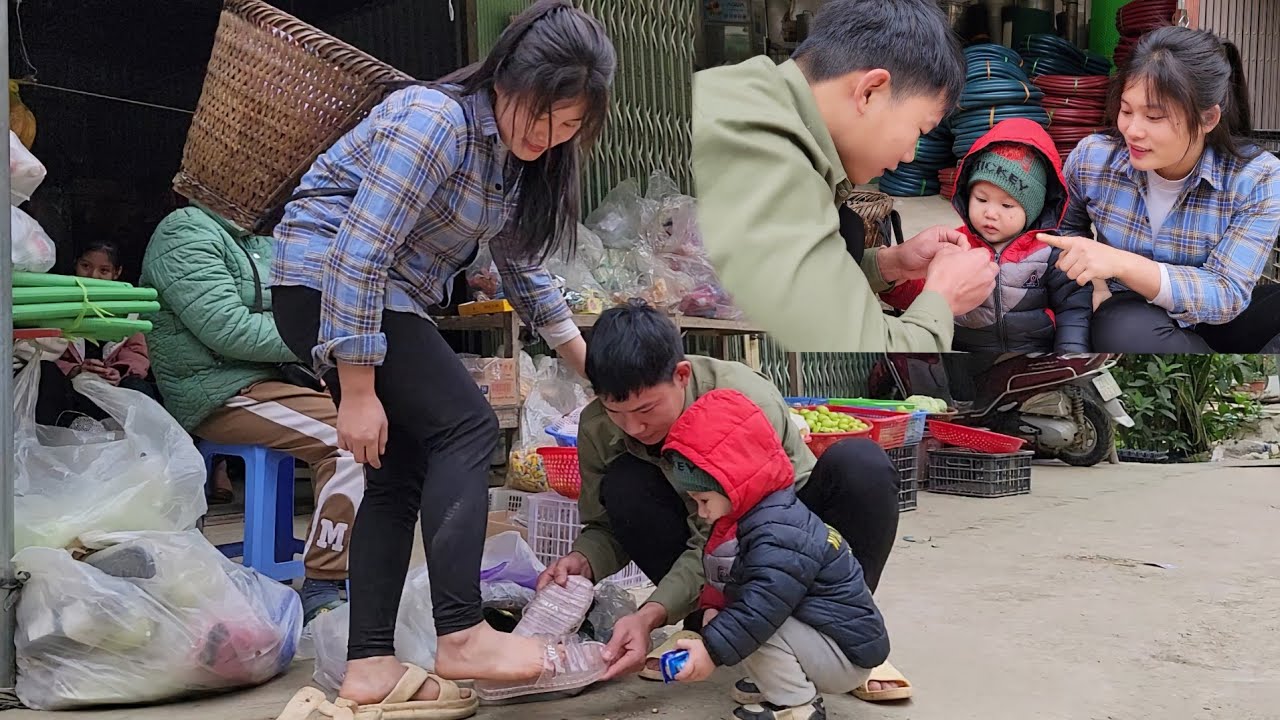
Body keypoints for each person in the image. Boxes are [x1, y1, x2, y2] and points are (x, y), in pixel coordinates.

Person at [267, 1, 616, 714]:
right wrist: (358, 392)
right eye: (541, 113)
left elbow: (524, 273)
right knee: (468, 426)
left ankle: (368, 665)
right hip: (325, 281)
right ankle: (462, 633)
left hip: (378, 295)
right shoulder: (434, 120)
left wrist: (594, 368)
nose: (547, 135)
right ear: (507, 78)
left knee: (400, 474)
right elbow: (358, 254)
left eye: (569, 126)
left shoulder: (519, 165)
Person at [536, 300, 912, 704]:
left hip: (776, 536)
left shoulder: (742, 401)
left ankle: (836, 639)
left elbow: (789, 523)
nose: (633, 426)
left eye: (646, 409)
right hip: (715, 553)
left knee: (860, 466)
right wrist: (584, 560)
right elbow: (606, 526)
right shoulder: (597, 427)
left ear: (681, 376)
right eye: (617, 411)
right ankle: (710, 628)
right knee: (625, 483)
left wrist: (652, 612)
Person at [691, 0, 1000, 352]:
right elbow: (867, 345)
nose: (911, 154)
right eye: (919, 129)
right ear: (869, 92)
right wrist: (942, 299)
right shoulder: (772, 160)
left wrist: (889, 264)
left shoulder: (748, 91)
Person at [139, 204, 361, 630]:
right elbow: (229, 327)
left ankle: (359, 565)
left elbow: (303, 307)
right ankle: (324, 582)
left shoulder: (262, 239)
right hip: (217, 391)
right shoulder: (184, 231)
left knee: (383, 424)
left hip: (275, 382)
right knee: (349, 441)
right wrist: (320, 338)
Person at [1043, 26, 1280, 354]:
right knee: (1122, 330)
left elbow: (1227, 293)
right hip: (1132, 314)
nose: (1132, 131)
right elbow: (1062, 234)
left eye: (1154, 116)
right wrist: (1092, 285)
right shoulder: (1092, 158)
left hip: (1222, 320)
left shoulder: (1257, 177)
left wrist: (1122, 263)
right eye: (1126, 111)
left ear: (1208, 118)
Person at [663, 388, 891, 720]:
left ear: (733, 483)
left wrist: (711, 650)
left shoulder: (778, 530)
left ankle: (798, 704)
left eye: (704, 500)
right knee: (738, 620)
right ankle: (780, 684)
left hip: (845, 656)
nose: (701, 512)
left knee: (755, 623)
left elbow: (762, 605)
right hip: (826, 639)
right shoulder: (755, 516)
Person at [880, 118, 1093, 353]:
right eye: (981, 199)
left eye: (1007, 206)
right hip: (963, 356)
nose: (990, 213)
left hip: (1032, 356)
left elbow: (1073, 310)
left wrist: (1068, 357)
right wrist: (892, 281)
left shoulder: (1050, 254)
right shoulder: (952, 247)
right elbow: (918, 296)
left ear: (1033, 210)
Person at [35, 241, 162, 427]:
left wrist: (117, 371)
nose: (93, 276)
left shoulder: (129, 310)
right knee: (45, 372)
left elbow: (137, 352)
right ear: (75, 264)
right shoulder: (57, 305)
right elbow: (44, 347)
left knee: (138, 388)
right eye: (85, 266)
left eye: (104, 271)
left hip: (113, 390)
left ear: (116, 273)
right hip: (69, 393)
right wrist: (75, 370)